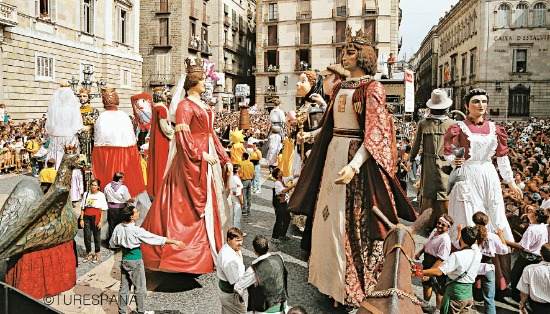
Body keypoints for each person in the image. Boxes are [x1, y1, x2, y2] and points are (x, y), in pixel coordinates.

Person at [287, 26, 417, 308]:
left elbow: (376, 133)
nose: (344, 56)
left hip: (354, 160)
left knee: (351, 226)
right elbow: (330, 126)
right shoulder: (342, 88)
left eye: (350, 51)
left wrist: (356, 164)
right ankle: (330, 284)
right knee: (328, 221)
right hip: (333, 154)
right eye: (344, 51)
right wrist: (312, 136)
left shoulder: (373, 88)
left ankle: (351, 287)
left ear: (363, 55)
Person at [141, 57, 232, 274]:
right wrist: (200, 154)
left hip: (206, 157)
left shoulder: (203, 105)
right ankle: (182, 256)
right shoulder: (184, 106)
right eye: (202, 80)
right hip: (190, 161)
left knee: (212, 203)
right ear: (193, 83)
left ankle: (209, 250)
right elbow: (182, 138)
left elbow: (211, 135)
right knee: (183, 206)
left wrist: (224, 157)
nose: (205, 84)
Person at [443, 88, 522, 243]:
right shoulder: (458, 127)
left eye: (484, 101)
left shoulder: (495, 129)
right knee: (468, 212)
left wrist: (510, 182)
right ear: (466, 105)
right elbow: (448, 153)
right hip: (467, 173)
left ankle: (495, 249)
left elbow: (502, 157)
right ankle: (467, 249)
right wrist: (454, 160)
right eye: (476, 101)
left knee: (494, 209)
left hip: (488, 173)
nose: (481, 105)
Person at [109, 206, 186, 314]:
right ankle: (141, 311)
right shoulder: (136, 230)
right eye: (136, 212)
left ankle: (122, 311)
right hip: (135, 260)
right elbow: (153, 238)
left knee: (124, 288)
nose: (138, 212)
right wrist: (174, 241)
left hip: (124, 260)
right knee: (140, 288)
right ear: (131, 217)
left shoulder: (118, 227)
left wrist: (124, 243)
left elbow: (112, 243)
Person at [92, 88, 150, 219]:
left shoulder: (101, 117)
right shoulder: (124, 116)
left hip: (107, 156)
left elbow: (98, 144)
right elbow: (132, 141)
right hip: (126, 155)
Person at [410, 89, 456, 229]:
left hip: (439, 164)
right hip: (439, 164)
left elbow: (415, 146)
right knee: (437, 193)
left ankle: (432, 223)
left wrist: (411, 159)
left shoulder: (427, 123)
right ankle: (439, 223)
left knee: (440, 193)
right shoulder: (450, 124)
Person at [419, 226, 483, 314]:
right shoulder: (478, 253)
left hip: (455, 296)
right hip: (468, 296)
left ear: (461, 238)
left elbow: (439, 272)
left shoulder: (457, 256)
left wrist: (421, 272)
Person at [464, 212, 509, 314]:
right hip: (487, 267)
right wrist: (501, 237)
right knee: (489, 299)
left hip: (473, 266)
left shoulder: (470, 233)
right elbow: (504, 250)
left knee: (468, 294)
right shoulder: (493, 237)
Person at [501, 207, 549, 302]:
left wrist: (503, 240)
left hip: (528, 257)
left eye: (531, 212)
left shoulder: (532, 229)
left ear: (535, 217)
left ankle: (515, 298)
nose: (528, 213)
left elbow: (522, 246)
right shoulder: (543, 226)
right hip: (538, 256)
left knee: (516, 276)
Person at [234, 235, 289, 314]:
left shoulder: (253, 270)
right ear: (268, 246)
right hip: (282, 307)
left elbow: (238, 287)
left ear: (255, 251)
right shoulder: (279, 258)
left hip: (264, 310)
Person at [415, 214, 453, 311]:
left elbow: (441, 259)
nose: (439, 226)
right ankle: (426, 304)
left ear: (448, 228)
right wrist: (420, 252)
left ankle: (438, 310)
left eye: (443, 225)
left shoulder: (445, 240)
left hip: (437, 265)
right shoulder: (435, 231)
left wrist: (430, 272)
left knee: (438, 290)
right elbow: (427, 244)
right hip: (427, 261)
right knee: (426, 284)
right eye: (439, 223)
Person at [45, 84, 83, 169]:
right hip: (70, 135)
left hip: (57, 136)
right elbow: (78, 125)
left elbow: (50, 124)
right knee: (69, 154)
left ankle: (54, 171)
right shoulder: (73, 108)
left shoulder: (54, 108)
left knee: (56, 154)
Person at [146, 88, 173, 197]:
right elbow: (164, 127)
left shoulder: (155, 107)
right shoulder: (161, 108)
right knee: (162, 162)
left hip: (156, 138)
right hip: (162, 139)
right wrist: (174, 133)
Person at [216, 228, 246, 314]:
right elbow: (236, 284)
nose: (240, 243)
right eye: (237, 240)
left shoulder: (233, 248)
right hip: (231, 296)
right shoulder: (229, 260)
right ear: (229, 240)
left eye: (241, 240)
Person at [79, 179, 108, 263]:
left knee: (96, 236)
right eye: (92, 184)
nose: (93, 186)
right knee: (87, 235)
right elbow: (82, 207)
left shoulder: (101, 195)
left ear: (98, 186)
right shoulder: (86, 194)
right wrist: (81, 218)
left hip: (96, 217)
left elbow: (103, 209)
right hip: (87, 217)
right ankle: (88, 252)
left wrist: (101, 221)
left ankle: (97, 253)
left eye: (95, 185)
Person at [516, 243, 550, 313]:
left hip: (538, 307)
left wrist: (522, 303)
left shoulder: (529, 269)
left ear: (541, 254)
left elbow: (524, 291)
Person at [104, 172, 135, 240]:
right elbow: (127, 199)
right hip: (121, 209)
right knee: (120, 226)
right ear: (120, 179)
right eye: (123, 178)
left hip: (111, 209)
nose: (123, 180)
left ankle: (112, 242)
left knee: (112, 226)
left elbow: (105, 196)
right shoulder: (123, 187)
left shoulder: (107, 186)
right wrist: (133, 200)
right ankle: (119, 242)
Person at [272, 168, 296, 243]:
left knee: (287, 218)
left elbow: (291, 177)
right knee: (279, 220)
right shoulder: (277, 183)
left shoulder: (283, 180)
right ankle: (275, 237)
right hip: (279, 203)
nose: (281, 172)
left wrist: (299, 174)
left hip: (284, 202)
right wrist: (293, 185)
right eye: (279, 172)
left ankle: (282, 234)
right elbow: (283, 191)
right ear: (277, 175)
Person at [77, 88, 99, 164]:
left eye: (84, 96)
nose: (82, 98)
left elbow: (96, 123)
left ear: (88, 97)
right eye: (80, 96)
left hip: (89, 138)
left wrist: (89, 126)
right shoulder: (76, 110)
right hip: (77, 137)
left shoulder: (94, 110)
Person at [229, 165, 244, 230]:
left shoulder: (234, 178)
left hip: (233, 196)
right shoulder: (236, 179)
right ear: (237, 170)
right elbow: (238, 192)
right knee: (237, 215)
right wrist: (242, 202)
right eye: (239, 167)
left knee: (234, 214)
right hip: (236, 197)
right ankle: (237, 229)